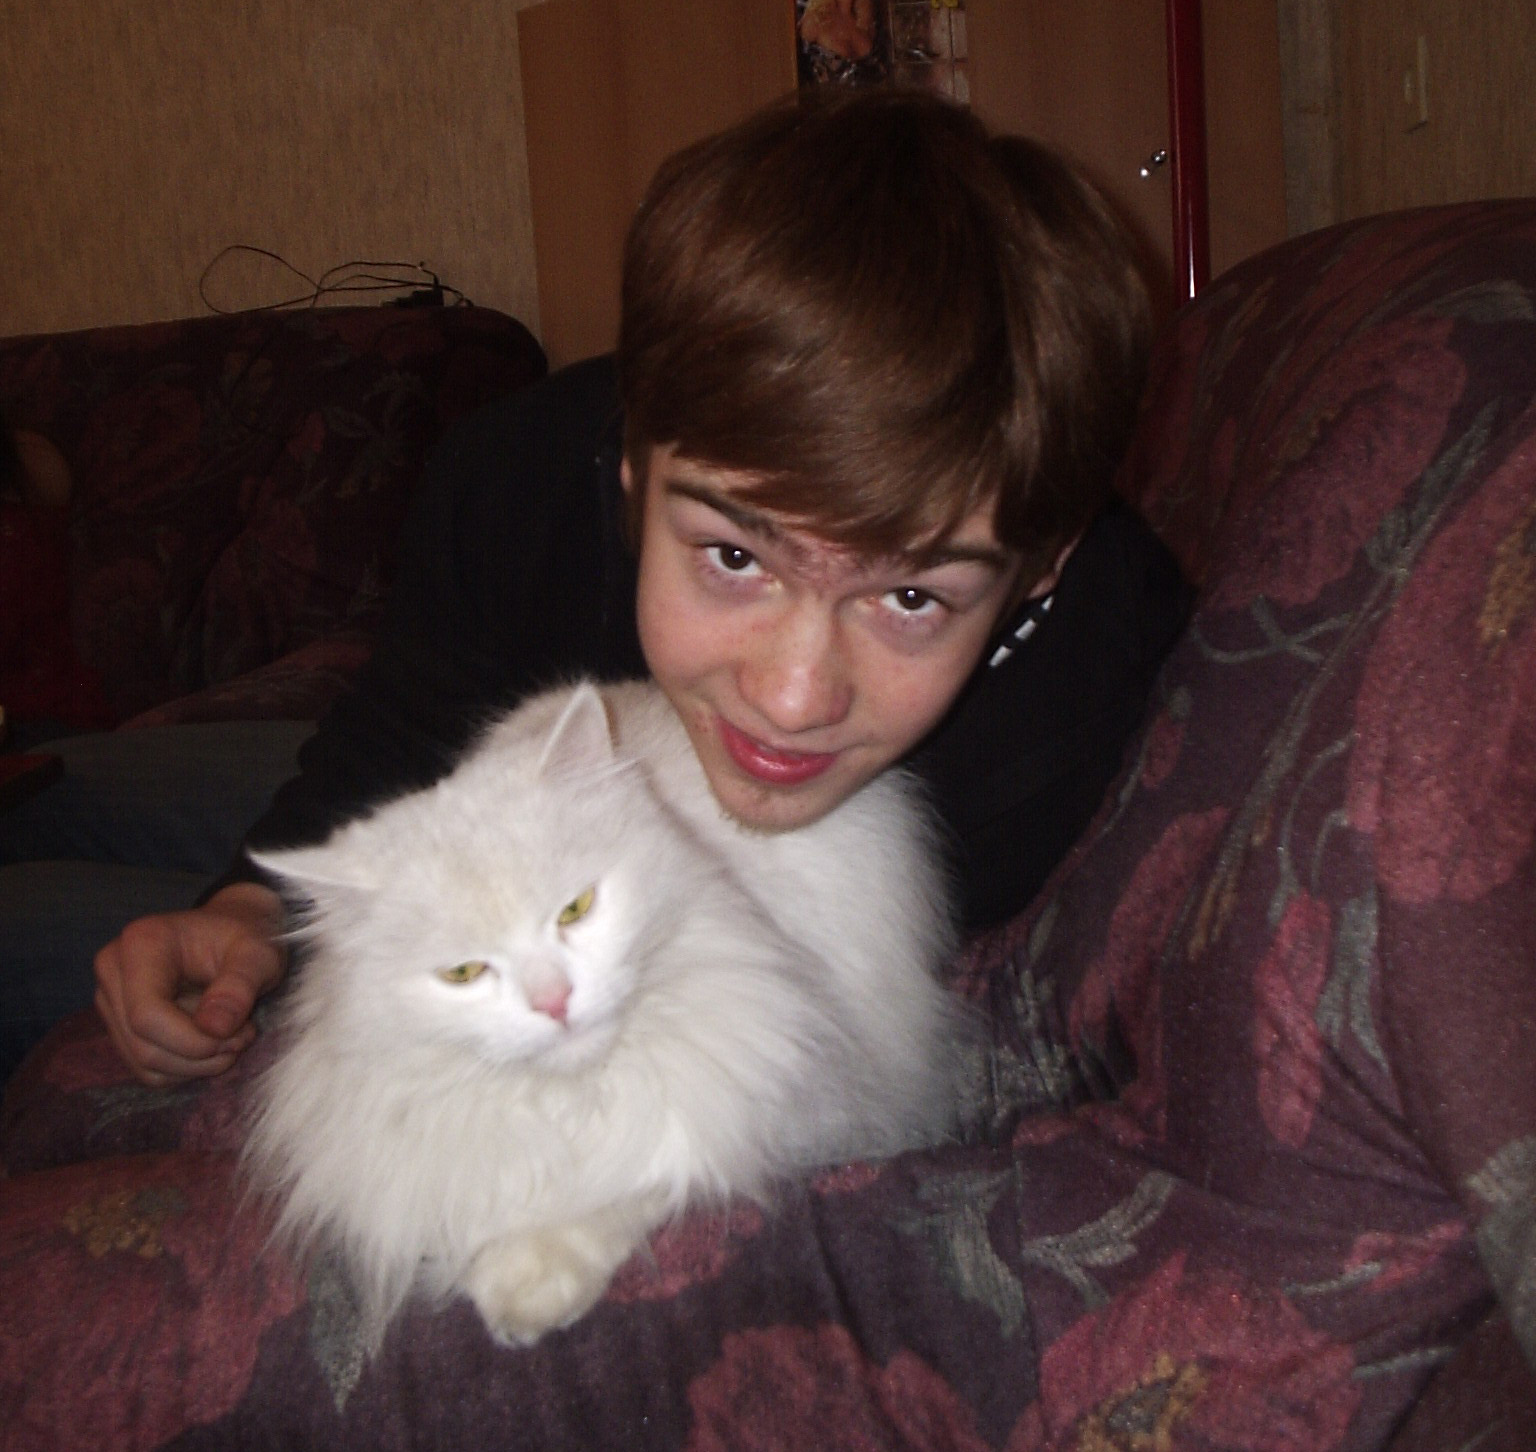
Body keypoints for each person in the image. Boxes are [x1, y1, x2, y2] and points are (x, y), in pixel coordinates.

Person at [92, 86, 1191, 1087]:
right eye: (735, 557)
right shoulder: (511, 478)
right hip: (483, 800)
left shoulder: (1108, 697)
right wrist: (251, 907)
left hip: (523, 867)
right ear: (633, 472)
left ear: (1039, 572)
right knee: (73, 797)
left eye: (912, 599)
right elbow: (413, 727)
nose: (792, 699)